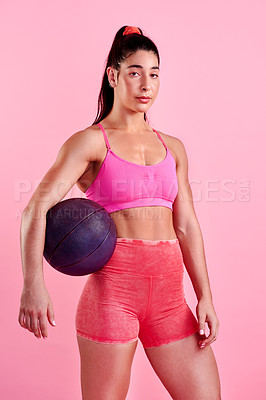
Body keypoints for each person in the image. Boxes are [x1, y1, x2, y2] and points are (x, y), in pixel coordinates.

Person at [18, 25, 222, 400]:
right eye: (135, 72)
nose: (146, 85)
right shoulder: (91, 141)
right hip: (113, 298)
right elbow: (35, 210)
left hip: (170, 301)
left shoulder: (173, 148)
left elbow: (188, 227)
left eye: (154, 74)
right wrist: (33, 285)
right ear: (114, 76)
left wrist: (204, 296)